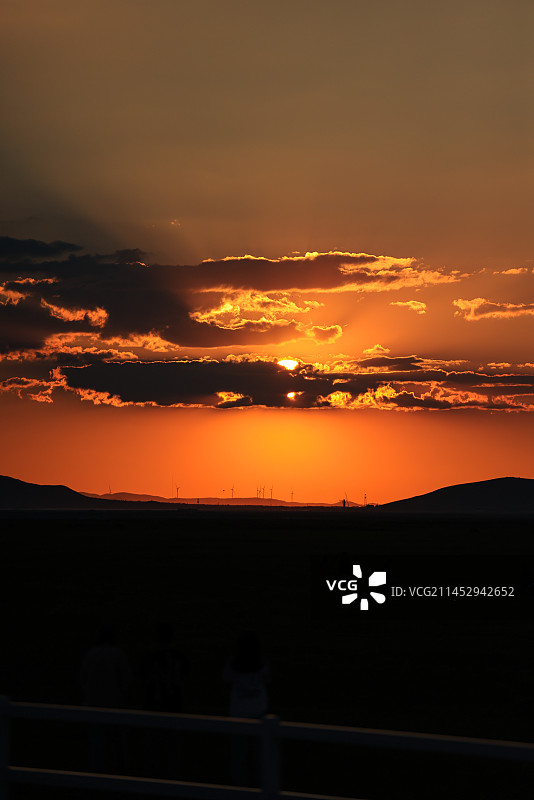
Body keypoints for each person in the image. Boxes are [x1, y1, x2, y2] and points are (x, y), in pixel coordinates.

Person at [80, 624, 132, 773]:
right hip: (114, 703)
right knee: (117, 739)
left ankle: (97, 769)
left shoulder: (91, 654)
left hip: (93, 703)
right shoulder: (117, 654)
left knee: (96, 740)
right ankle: (119, 768)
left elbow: (82, 678)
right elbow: (126, 679)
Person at [223, 631, 270, 785]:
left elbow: (225, 680)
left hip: (238, 715)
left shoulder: (233, 665)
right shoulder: (261, 665)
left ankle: (240, 788)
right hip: (258, 714)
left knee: (239, 759)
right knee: (258, 758)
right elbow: (268, 681)